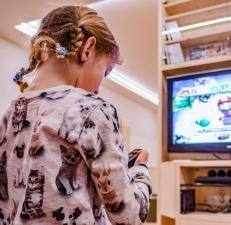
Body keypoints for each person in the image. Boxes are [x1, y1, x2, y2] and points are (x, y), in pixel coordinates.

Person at [0, 5, 151, 225]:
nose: (99, 88)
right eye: (105, 72)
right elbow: (129, 217)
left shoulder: (11, 111)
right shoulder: (93, 110)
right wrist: (140, 169)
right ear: (88, 48)